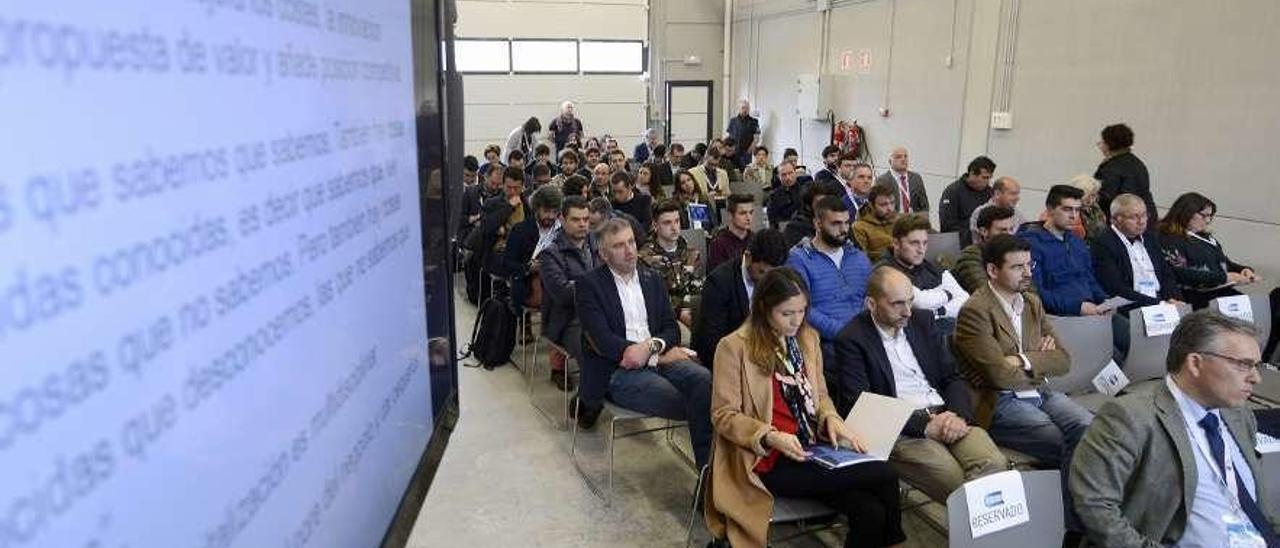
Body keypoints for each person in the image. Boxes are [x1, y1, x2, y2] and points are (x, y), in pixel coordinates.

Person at [704, 268, 906, 548]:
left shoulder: (807, 339)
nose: (796, 320)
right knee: (886, 474)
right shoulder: (734, 347)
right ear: (764, 308)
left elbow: (820, 393)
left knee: (870, 512)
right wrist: (769, 435)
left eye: (801, 311)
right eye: (786, 313)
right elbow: (723, 415)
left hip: (810, 448)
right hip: (767, 457)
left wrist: (831, 416)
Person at [1070, 310, 1279, 547]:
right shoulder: (1130, 417)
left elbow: (1256, 507)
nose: (1255, 378)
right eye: (1244, 364)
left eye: (1257, 366)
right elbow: (1095, 508)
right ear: (1195, 364)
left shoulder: (1239, 415)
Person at [835, 267, 1007, 502]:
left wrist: (956, 415)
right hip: (902, 428)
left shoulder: (922, 321)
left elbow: (952, 376)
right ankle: (980, 531)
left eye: (910, 301)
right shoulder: (852, 338)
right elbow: (863, 403)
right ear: (871, 304)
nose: (907, 311)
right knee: (953, 479)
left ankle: (984, 532)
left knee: (995, 464)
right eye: (897, 304)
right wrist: (925, 426)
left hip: (946, 415)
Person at [573, 219, 713, 468]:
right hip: (618, 370)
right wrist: (656, 356)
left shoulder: (652, 278)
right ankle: (710, 475)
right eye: (618, 246)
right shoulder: (589, 285)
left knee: (706, 384)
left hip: (659, 357)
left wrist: (654, 348)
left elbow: (671, 328)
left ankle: (710, 478)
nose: (629, 250)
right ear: (604, 255)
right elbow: (604, 342)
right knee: (697, 403)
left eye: (631, 242)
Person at [952, 234, 1093, 470]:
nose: (1028, 273)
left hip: (1038, 391)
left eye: (1030, 264)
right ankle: (1073, 502)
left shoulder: (1031, 302)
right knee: (1060, 441)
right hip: (999, 400)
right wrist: (1040, 361)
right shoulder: (975, 311)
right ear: (992, 270)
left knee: (1089, 427)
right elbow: (999, 375)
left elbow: (1064, 360)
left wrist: (1020, 359)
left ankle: (1081, 496)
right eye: (1018, 267)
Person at [1022, 184, 1130, 361]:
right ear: (1049, 209)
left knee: (1131, 340)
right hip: (1062, 317)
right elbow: (1037, 293)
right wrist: (1078, 307)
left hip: (1092, 310)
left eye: (1077, 210)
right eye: (1067, 209)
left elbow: (1089, 279)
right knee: (1113, 356)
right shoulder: (1031, 243)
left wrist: (1105, 300)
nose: (1074, 216)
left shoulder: (1077, 242)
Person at [787, 196, 874, 387]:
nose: (844, 230)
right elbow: (803, 309)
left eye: (846, 223)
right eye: (836, 223)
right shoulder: (799, 259)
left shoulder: (859, 258)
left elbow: (872, 299)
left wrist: (863, 331)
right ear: (817, 223)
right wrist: (845, 333)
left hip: (866, 338)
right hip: (827, 344)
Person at [691, 229, 790, 369]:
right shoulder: (719, 282)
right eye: (762, 272)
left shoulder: (777, 279)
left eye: (773, 274)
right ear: (748, 257)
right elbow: (712, 341)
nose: (767, 280)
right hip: (729, 357)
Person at [1157, 192, 1262, 309]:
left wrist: (1243, 270)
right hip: (1192, 297)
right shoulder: (1167, 238)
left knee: (1254, 307)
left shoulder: (1206, 238)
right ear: (1186, 213)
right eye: (1204, 215)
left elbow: (1224, 262)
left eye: (1210, 216)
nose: (1208, 221)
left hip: (1218, 292)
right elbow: (1181, 273)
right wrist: (1225, 278)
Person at [540, 196, 597, 391]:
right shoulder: (550, 254)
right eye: (576, 219)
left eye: (586, 219)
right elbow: (563, 294)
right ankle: (591, 400)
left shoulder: (595, 244)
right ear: (562, 220)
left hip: (598, 314)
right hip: (567, 321)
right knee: (593, 350)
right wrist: (599, 285)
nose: (582, 224)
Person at [1091, 193, 1183, 313]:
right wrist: (1159, 304)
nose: (1141, 221)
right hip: (1131, 306)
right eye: (1134, 217)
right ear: (1115, 219)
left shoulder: (1150, 238)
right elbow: (1115, 288)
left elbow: (1166, 274)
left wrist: (1172, 299)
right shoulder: (1104, 243)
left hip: (1161, 302)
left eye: (1144, 215)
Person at [876, 214, 969, 331]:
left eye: (924, 243)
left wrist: (939, 311)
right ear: (896, 243)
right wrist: (947, 294)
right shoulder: (885, 270)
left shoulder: (930, 266)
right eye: (914, 243)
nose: (921, 250)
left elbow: (965, 300)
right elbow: (920, 302)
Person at [465, 167, 531, 307]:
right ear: (503, 185)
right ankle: (508, 304)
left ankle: (520, 304)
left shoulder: (527, 204)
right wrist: (509, 207)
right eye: (509, 187)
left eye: (516, 188)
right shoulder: (492, 203)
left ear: (522, 187)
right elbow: (486, 228)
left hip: (520, 252)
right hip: (496, 253)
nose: (512, 192)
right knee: (517, 269)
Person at [503, 186, 563, 326]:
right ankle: (525, 321)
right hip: (528, 279)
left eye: (554, 212)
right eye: (546, 211)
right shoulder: (520, 230)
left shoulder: (562, 230)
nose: (550, 216)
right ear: (536, 209)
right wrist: (528, 267)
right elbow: (507, 263)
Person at [640, 200, 703, 327]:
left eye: (677, 221)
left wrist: (689, 308)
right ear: (655, 225)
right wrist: (680, 312)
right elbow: (651, 299)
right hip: (663, 317)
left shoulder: (691, 253)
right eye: (667, 223)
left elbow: (697, 287)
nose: (674, 228)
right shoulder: (645, 258)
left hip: (691, 309)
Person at [1095, 123, 1156, 227]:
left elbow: (1105, 198)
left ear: (1109, 144)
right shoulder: (1138, 163)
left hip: (1124, 222)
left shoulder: (1111, 168)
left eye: (1103, 141)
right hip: (1145, 218)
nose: (1100, 145)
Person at [953, 205, 1019, 294]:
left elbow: (1030, 291)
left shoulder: (1013, 255)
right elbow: (987, 293)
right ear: (984, 231)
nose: (1009, 235)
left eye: (1011, 229)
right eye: (1002, 230)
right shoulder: (970, 257)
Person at [938, 156, 996, 246]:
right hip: (958, 245)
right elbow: (947, 225)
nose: (987, 181)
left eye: (989, 178)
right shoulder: (953, 191)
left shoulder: (990, 193)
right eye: (984, 177)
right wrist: (973, 236)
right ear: (972, 174)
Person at [783, 180, 844, 248]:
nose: (826, 206)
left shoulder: (840, 221)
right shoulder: (795, 229)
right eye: (820, 203)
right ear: (808, 206)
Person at [707, 193, 756, 272]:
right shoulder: (718, 244)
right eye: (743, 213)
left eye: (751, 212)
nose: (749, 218)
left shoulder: (757, 240)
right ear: (730, 215)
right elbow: (719, 278)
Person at [875, 146, 929, 214]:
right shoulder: (882, 181)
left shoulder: (916, 179)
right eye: (898, 157)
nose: (903, 159)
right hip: (893, 222)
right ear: (890, 161)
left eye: (905, 156)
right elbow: (878, 208)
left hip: (913, 222)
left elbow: (924, 206)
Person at [852, 183, 898, 262]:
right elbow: (862, 259)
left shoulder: (900, 221)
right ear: (871, 205)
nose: (890, 208)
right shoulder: (859, 227)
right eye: (883, 205)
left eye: (892, 203)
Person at [725, 98, 761, 169]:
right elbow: (729, 137)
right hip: (733, 152)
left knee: (745, 171)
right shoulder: (733, 121)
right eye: (743, 108)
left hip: (746, 153)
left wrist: (749, 150)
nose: (745, 110)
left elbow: (756, 138)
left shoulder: (754, 122)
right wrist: (728, 150)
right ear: (739, 108)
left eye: (747, 108)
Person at [1069, 174, 1107, 239]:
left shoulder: (1095, 208)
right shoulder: (1069, 210)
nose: (1091, 200)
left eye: (1093, 195)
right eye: (1088, 196)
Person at [766, 160, 803, 228]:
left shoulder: (805, 191)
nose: (788, 178)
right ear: (778, 176)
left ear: (795, 172)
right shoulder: (773, 196)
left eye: (790, 173)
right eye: (783, 175)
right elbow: (772, 221)